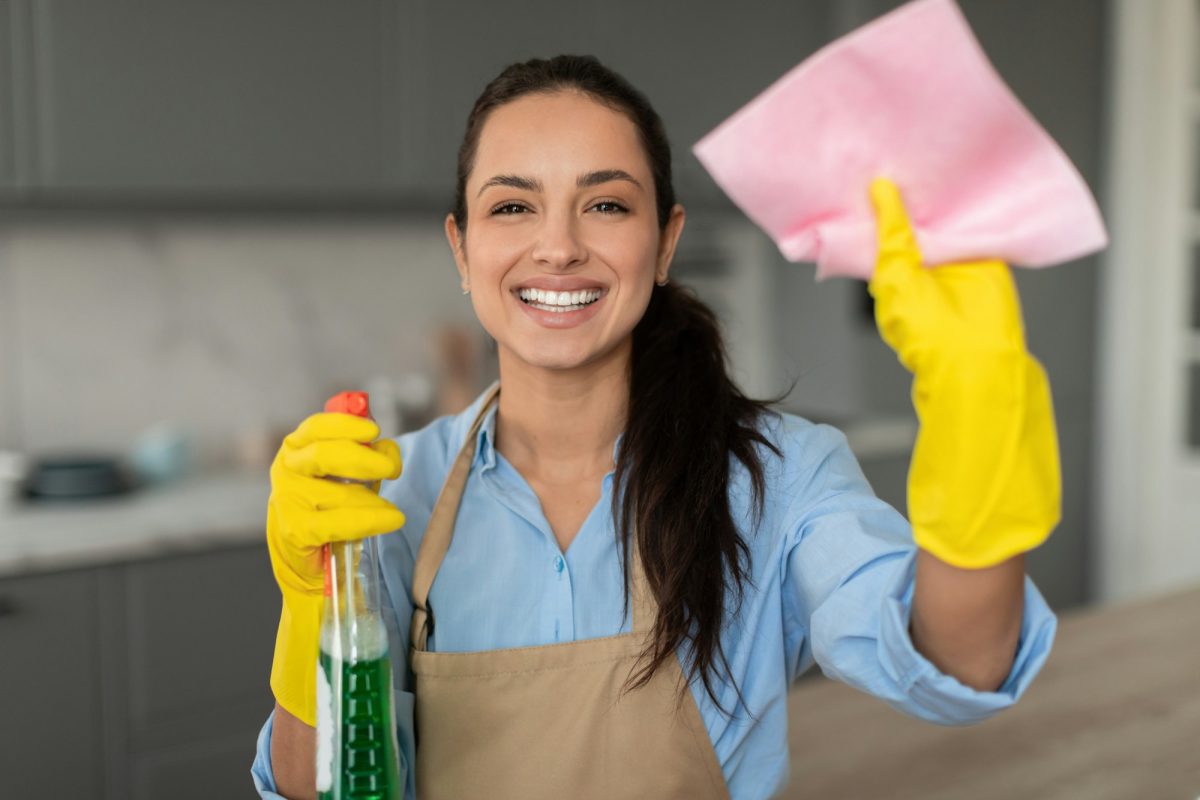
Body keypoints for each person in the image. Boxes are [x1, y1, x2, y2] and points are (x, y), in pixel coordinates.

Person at [251, 54, 1059, 800]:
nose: (558, 246)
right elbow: (307, 786)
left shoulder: (779, 479)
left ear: (665, 242)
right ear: (462, 249)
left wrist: (978, 409)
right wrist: (308, 603)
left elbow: (965, 662)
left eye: (605, 204)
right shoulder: (390, 491)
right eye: (511, 206)